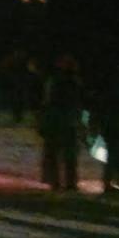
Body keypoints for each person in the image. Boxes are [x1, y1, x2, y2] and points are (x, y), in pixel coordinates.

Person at [39, 55, 83, 191]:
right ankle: (68, 182)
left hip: (57, 119)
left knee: (55, 152)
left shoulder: (55, 80)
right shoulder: (73, 82)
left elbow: (47, 101)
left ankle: (56, 181)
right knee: (68, 153)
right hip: (66, 120)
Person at [97, 61, 119, 194]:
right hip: (116, 124)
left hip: (113, 124)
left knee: (114, 155)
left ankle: (112, 182)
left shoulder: (109, 87)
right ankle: (116, 182)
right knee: (117, 155)